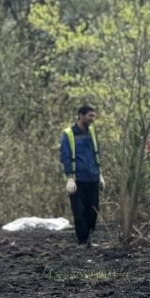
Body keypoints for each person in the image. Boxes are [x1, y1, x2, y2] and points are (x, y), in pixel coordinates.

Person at [59, 104, 103, 247]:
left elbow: (97, 154)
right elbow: (65, 156)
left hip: (93, 177)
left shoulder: (92, 133)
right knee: (80, 211)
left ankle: (89, 239)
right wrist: (69, 177)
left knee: (93, 210)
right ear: (81, 115)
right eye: (90, 116)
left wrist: (100, 174)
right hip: (77, 179)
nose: (92, 119)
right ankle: (82, 241)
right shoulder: (68, 134)